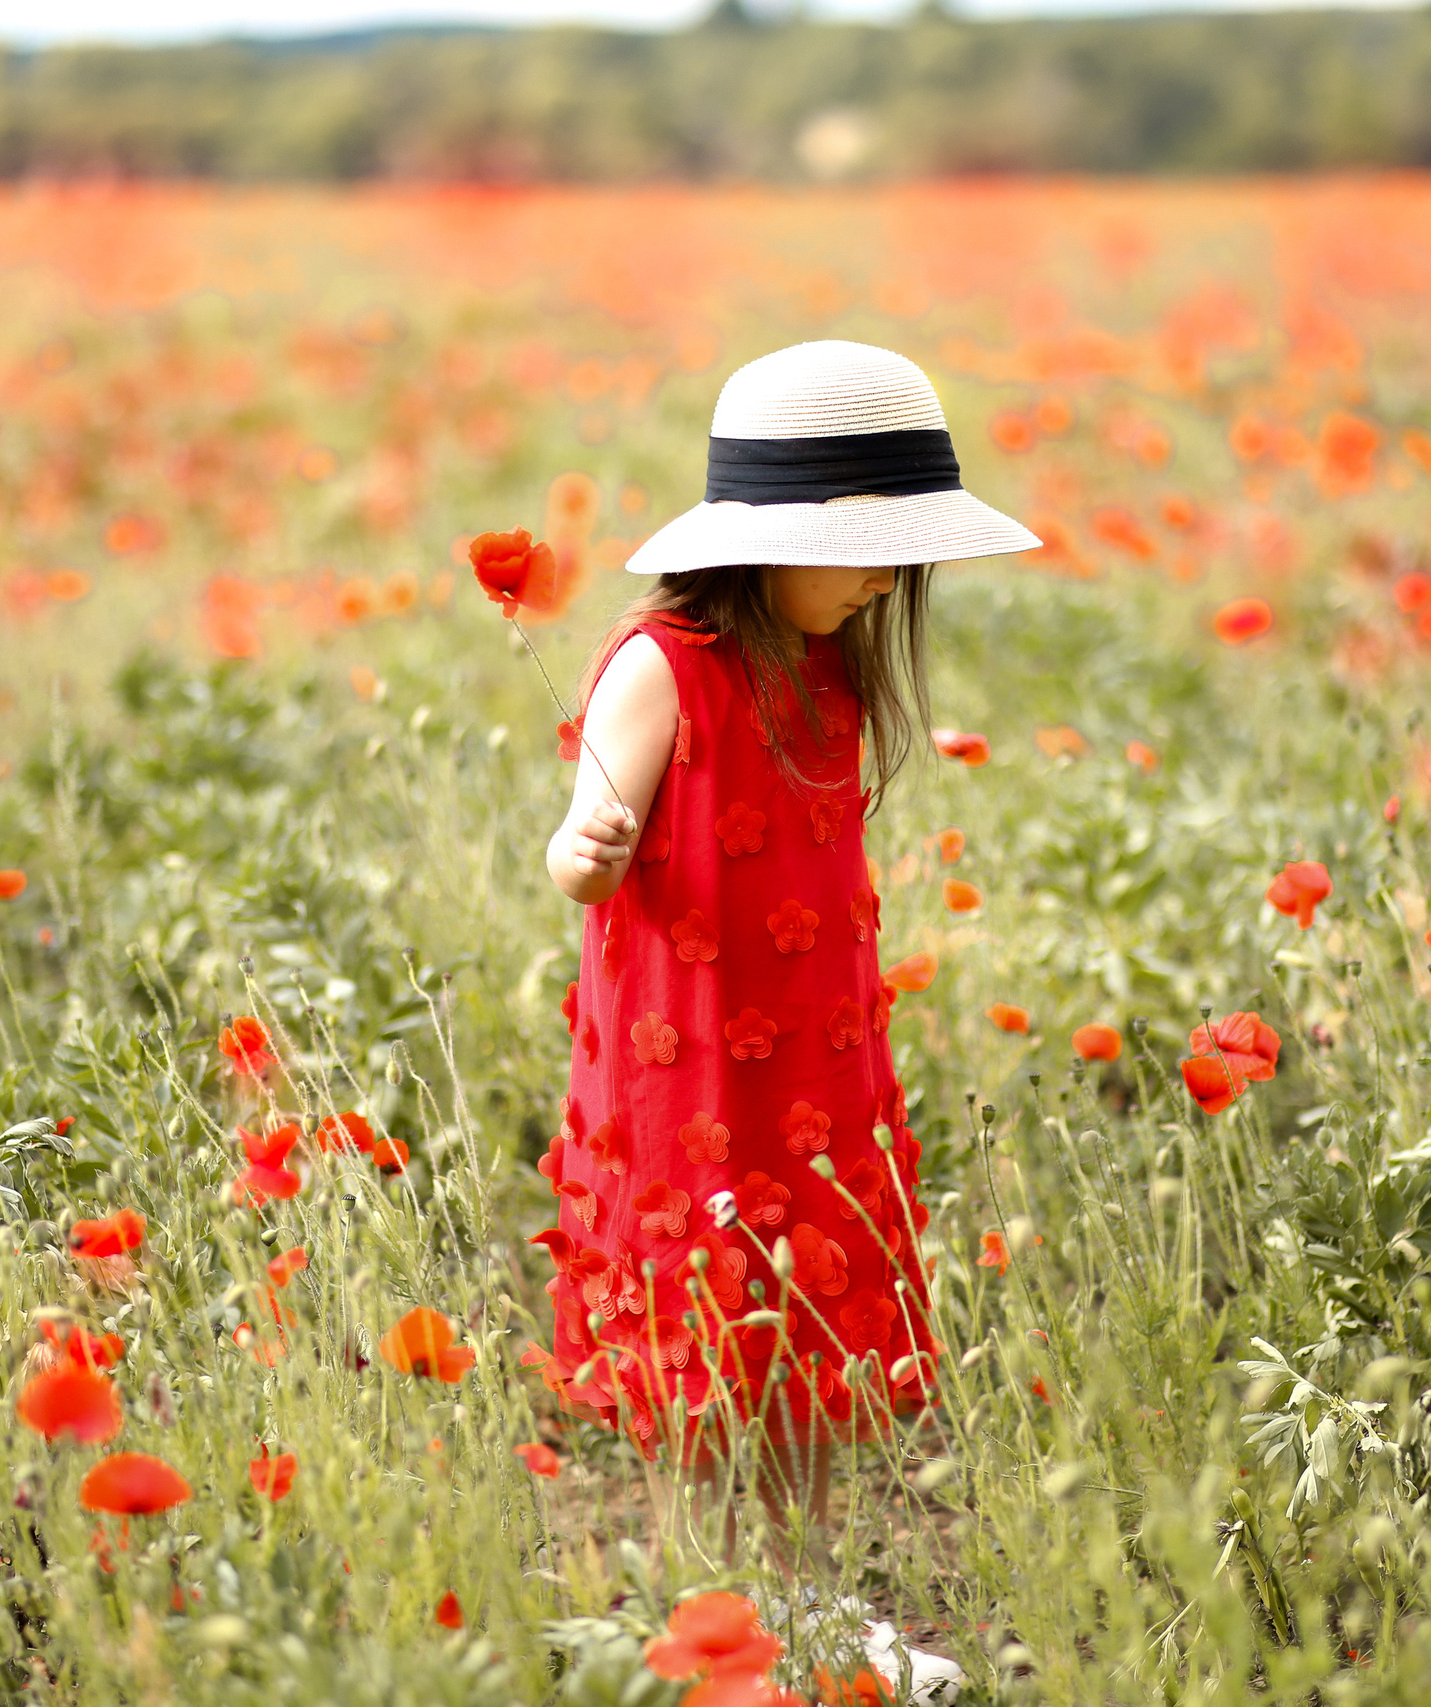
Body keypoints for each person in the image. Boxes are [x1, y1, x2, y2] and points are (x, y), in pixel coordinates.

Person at [527, 340, 1038, 1704]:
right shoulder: (661, 668)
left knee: (806, 1335)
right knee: (709, 1342)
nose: (886, 580)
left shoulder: (828, 670)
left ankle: (805, 1611)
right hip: (688, 1063)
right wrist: (589, 848)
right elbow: (578, 853)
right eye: (869, 553)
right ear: (775, 540)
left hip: (813, 1053)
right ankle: (718, 1625)